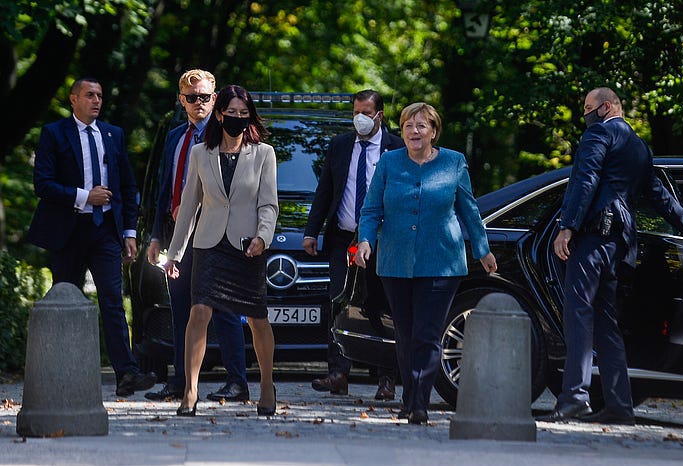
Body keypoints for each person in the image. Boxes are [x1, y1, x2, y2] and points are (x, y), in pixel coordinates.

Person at [536, 87, 683, 425]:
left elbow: (585, 180)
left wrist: (567, 227)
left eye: (588, 107)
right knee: (605, 322)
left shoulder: (599, 134)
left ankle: (574, 398)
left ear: (606, 107)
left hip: (593, 237)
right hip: (619, 245)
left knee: (578, 314)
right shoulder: (639, 146)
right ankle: (620, 405)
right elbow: (657, 194)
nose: (584, 114)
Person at [354, 102, 497, 425]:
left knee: (428, 334)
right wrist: (365, 241)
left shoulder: (453, 162)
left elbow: (469, 210)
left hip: (441, 261)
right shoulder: (389, 162)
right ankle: (410, 398)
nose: (414, 131)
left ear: (433, 132)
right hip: (396, 261)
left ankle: (419, 402)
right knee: (405, 334)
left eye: (421, 126)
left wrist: (482, 249)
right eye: (408, 125)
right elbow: (371, 209)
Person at [27, 77, 156, 397]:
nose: (96, 100)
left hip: (105, 232)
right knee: (66, 302)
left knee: (113, 302)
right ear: (73, 99)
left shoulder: (113, 134)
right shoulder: (54, 133)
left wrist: (129, 232)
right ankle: (63, 377)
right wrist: (86, 196)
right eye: (89, 95)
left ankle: (127, 374)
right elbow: (43, 184)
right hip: (68, 232)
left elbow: (127, 186)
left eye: (99, 95)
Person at [164, 84, 278, 417]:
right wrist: (174, 254)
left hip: (247, 247)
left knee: (257, 319)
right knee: (198, 312)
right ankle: (191, 390)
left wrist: (263, 237)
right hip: (209, 245)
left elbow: (269, 204)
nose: (238, 118)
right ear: (219, 115)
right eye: (232, 113)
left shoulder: (264, 154)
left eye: (244, 113)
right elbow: (189, 205)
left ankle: (267, 385)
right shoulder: (201, 153)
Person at [145, 70, 249, 403]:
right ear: (182, 100)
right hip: (177, 237)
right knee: (181, 310)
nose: (198, 103)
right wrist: (156, 237)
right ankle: (180, 380)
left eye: (205, 97)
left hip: (215, 235)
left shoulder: (228, 137)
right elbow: (165, 189)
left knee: (224, 308)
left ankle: (237, 382)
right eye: (192, 98)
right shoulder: (176, 137)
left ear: (215, 99)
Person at [303, 89, 404, 400]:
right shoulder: (340, 145)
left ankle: (386, 378)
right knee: (339, 302)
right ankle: (338, 373)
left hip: (382, 241)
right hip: (342, 238)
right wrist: (311, 231)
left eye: (366, 113)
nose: (360, 118)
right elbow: (325, 191)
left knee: (382, 307)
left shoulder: (396, 147)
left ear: (379, 116)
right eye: (356, 112)